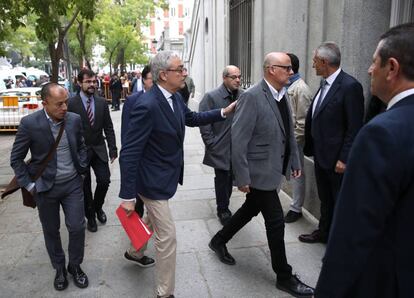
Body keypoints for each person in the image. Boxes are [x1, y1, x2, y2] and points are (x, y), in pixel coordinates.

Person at [119, 50, 236, 298]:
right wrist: (128, 195)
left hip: (165, 175)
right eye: (179, 69)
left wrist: (223, 112)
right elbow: (129, 153)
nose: (184, 73)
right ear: (164, 75)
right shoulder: (146, 105)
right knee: (168, 236)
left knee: (151, 219)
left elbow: (191, 118)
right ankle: (164, 292)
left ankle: (134, 252)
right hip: (151, 181)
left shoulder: (174, 97)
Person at [315, 22, 414, 298]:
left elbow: (351, 236)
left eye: (374, 62)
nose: (370, 69)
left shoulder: (381, 133)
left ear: (392, 68)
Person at [209, 52, 314, 298]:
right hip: (258, 172)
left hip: (274, 168)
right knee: (275, 221)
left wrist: (294, 162)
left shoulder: (283, 94)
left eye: (290, 69)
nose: (291, 72)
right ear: (271, 70)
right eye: (286, 68)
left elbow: (288, 132)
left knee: (250, 209)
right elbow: (239, 138)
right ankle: (284, 276)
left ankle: (219, 240)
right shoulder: (252, 97)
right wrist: (242, 177)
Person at [10, 83, 89, 291]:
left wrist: (82, 167)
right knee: (51, 230)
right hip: (45, 188)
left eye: (66, 102)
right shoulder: (30, 124)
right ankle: (59, 268)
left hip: (72, 184)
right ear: (44, 104)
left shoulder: (73, 120)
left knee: (77, 226)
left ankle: (75, 266)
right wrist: (30, 185)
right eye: (59, 104)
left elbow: (81, 145)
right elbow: (16, 159)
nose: (64, 108)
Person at [299, 42, 364, 243]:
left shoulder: (350, 86)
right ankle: (324, 232)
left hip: (337, 161)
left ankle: (339, 241)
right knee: (325, 199)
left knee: (339, 201)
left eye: (315, 61)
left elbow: (354, 127)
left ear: (325, 62)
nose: (313, 65)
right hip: (322, 156)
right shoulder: (324, 83)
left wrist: (344, 159)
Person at [68, 69, 118, 233]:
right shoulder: (70, 104)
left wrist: (112, 148)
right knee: (85, 186)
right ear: (79, 82)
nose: (92, 84)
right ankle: (90, 216)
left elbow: (108, 127)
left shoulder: (102, 102)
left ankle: (97, 208)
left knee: (104, 181)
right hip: (80, 152)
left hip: (99, 149)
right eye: (88, 82)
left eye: (94, 81)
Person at [199, 65, 243, 225]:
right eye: (233, 77)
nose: (238, 80)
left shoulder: (244, 95)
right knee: (222, 178)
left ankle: (225, 204)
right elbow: (203, 121)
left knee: (232, 177)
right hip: (220, 147)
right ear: (224, 78)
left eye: (239, 76)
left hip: (239, 147)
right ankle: (222, 209)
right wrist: (211, 143)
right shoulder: (211, 97)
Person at [120, 65, 155, 267]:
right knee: (136, 206)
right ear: (143, 80)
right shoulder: (133, 100)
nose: (153, 82)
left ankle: (136, 248)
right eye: (150, 79)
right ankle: (136, 248)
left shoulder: (162, 98)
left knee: (148, 207)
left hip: (153, 163)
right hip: (138, 161)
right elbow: (127, 133)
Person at [283, 53, 313, 223]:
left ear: (290, 69)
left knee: (297, 173)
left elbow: (302, 123)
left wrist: (292, 144)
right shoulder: (287, 86)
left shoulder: (300, 89)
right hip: (283, 140)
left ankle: (296, 208)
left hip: (294, 142)